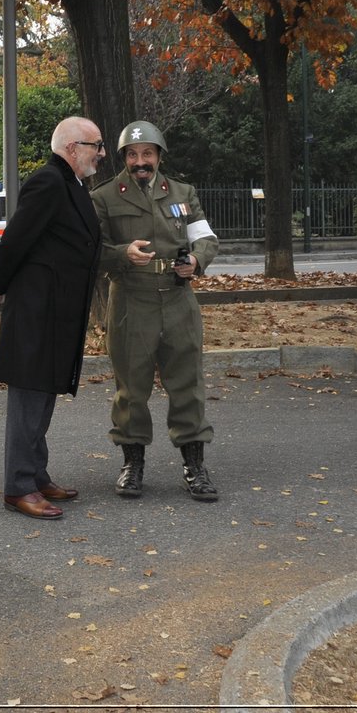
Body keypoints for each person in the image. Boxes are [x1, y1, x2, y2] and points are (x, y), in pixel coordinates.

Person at [0, 116, 104, 520]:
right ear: (72, 148)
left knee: (45, 391)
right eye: (95, 145)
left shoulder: (71, 185)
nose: (101, 153)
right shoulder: (49, 182)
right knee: (29, 395)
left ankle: (35, 473)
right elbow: (15, 239)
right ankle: (18, 486)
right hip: (37, 311)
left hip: (57, 311)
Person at [92, 120, 221, 502]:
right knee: (131, 388)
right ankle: (132, 466)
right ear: (124, 159)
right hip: (132, 301)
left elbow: (205, 238)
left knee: (188, 385)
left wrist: (196, 261)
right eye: (132, 155)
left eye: (147, 153)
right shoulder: (105, 198)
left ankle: (194, 466)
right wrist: (121, 254)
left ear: (159, 156)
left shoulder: (183, 192)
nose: (140, 161)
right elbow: (91, 250)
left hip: (178, 299)